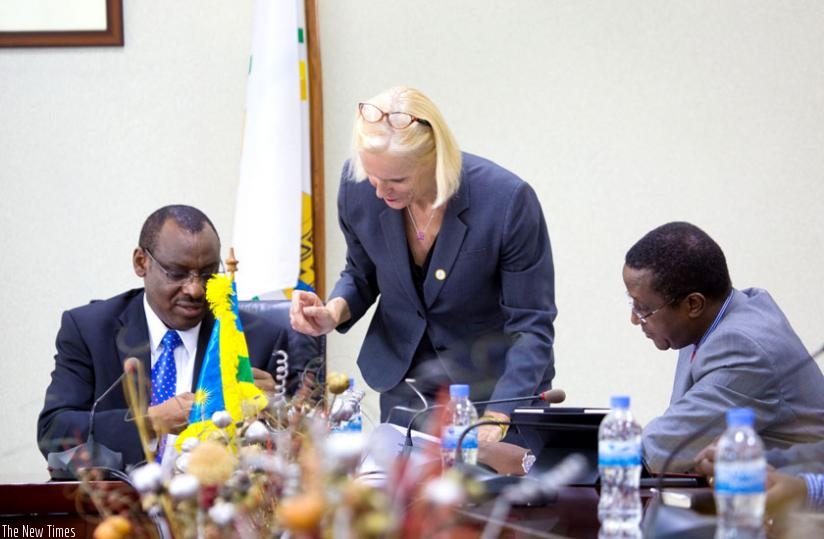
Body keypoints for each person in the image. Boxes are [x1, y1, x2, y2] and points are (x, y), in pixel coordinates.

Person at [290, 86, 556, 445]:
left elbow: (531, 324)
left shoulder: (506, 201)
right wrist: (334, 311)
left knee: (491, 498)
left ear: (434, 158)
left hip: (497, 388)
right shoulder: (357, 188)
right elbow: (362, 270)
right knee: (402, 497)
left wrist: (497, 416)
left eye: (397, 180)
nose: (381, 191)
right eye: (373, 176)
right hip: (408, 387)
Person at [38, 204, 291, 470]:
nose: (195, 289)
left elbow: (291, 455)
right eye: (177, 273)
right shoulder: (90, 330)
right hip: (118, 505)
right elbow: (53, 433)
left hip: (216, 503)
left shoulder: (255, 341)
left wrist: (272, 414)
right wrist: (150, 421)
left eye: (208, 274)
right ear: (141, 262)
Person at [622, 221, 824, 473]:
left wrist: (571, 457)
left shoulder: (743, 348)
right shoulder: (711, 320)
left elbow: (662, 451)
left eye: (642, 308)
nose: (634, 319)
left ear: (693, 304)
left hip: (802, 505)